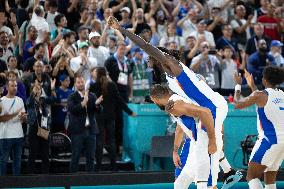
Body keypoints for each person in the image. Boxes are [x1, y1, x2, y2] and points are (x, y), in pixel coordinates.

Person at [107, 16, 227, 188]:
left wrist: (121, 29)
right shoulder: (170, 79)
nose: (148, 61)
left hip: (212, 109)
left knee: (206, 179)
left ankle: (225, 167)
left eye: (150, 58)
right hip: (210, 110)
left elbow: (145, 45)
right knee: (196, 179)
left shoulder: (171, 65)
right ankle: (224, 166)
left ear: (157, 57)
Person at [150, 84, 217, 189]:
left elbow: (205, 112)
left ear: (154, 99)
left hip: (204, 141)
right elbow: (180, 128)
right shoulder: (172, 104)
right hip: (195, 144)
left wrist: (212, 141)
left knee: (204, 186)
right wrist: (175, 151)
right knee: (180, 185)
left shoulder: (176, 104)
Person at [233, 67, 284, 189]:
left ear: (265, 80)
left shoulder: (260, 95)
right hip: (282, 143)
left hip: (269, 140)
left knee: (251, 176)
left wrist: (238, 86)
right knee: (270, 179)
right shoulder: (282, 94)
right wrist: (252, 86)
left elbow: (237, 104)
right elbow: (262, 99)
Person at [89, 67, 135, 171]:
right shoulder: (112, 85)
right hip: (110, 117)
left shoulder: (93, 86)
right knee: (112, 142)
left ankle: (98, 168)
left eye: (95, 72)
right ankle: (114, 168)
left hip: (99, 116)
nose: (94, 73)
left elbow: (91, 103)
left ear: (98, 74)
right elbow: (120, 101)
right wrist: (130, 112)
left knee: (99, 142)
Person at [67, 75, 101, 173]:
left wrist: (97, 104)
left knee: (90, 157)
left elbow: (99, 111)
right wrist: (83, 102)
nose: (81, 84)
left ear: (85, 82)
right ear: (75, 84)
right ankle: (72, 181)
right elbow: (72, 110)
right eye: (78, 82)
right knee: (76, 156)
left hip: (91, 130)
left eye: (82, 82)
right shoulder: (72, 97)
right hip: (77, 131)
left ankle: (90, 181)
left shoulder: (92, 95)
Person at [26, 80, 55, 174]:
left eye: (39, 88)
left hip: (45, 128)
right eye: (36, 88)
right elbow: (28, 103)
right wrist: (33, 93)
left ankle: (45, 174)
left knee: (46, 154)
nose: (38, 90)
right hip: (33, 128)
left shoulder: (45, 100)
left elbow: (54, 100)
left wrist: (52, 89)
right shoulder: (30, 100)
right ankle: (31, 174)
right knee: (32, 153)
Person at [0, 80, 27, 176]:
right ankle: (2, 183)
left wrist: (24, 118)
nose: (15, 88)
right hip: (5, 136)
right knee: (3, 161)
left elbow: (23, 118)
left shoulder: (20, 100)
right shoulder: (1, 101)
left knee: (17, 161)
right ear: (7, 87)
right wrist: (13, 115)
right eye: (12, 86)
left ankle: (17, 183)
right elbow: (1, 119)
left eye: (16, 86)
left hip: (19, 135)